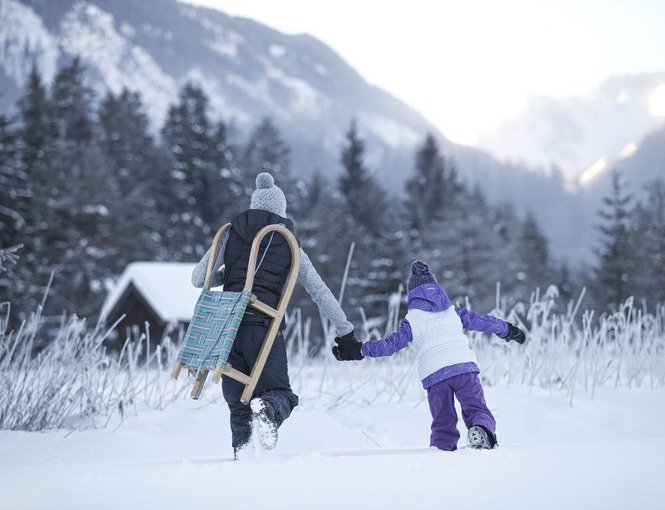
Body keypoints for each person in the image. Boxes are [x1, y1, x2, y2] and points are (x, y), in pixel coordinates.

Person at [192, 172, 357, 457]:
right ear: (281, 211)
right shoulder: (289, 243)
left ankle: (242, 461)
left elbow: (198, 279)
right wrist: (346, 332)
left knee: (239, 408)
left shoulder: (230, 232)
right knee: (280, 395)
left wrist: (229, 274)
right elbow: (320, 292)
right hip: (263, 328)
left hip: (226, 330)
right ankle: (268, 413)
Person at [332, 260, 526, 451]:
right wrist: (508, 330)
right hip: (464, 367)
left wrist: (358, 350)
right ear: (437, 289)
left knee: (443, 418)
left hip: (435, 375)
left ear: (412, 296)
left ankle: (441, 451)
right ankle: (483, 430)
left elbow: (388, 346)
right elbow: (484, 321)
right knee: (476, 407)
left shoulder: (412, 320)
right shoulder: (453, 312)